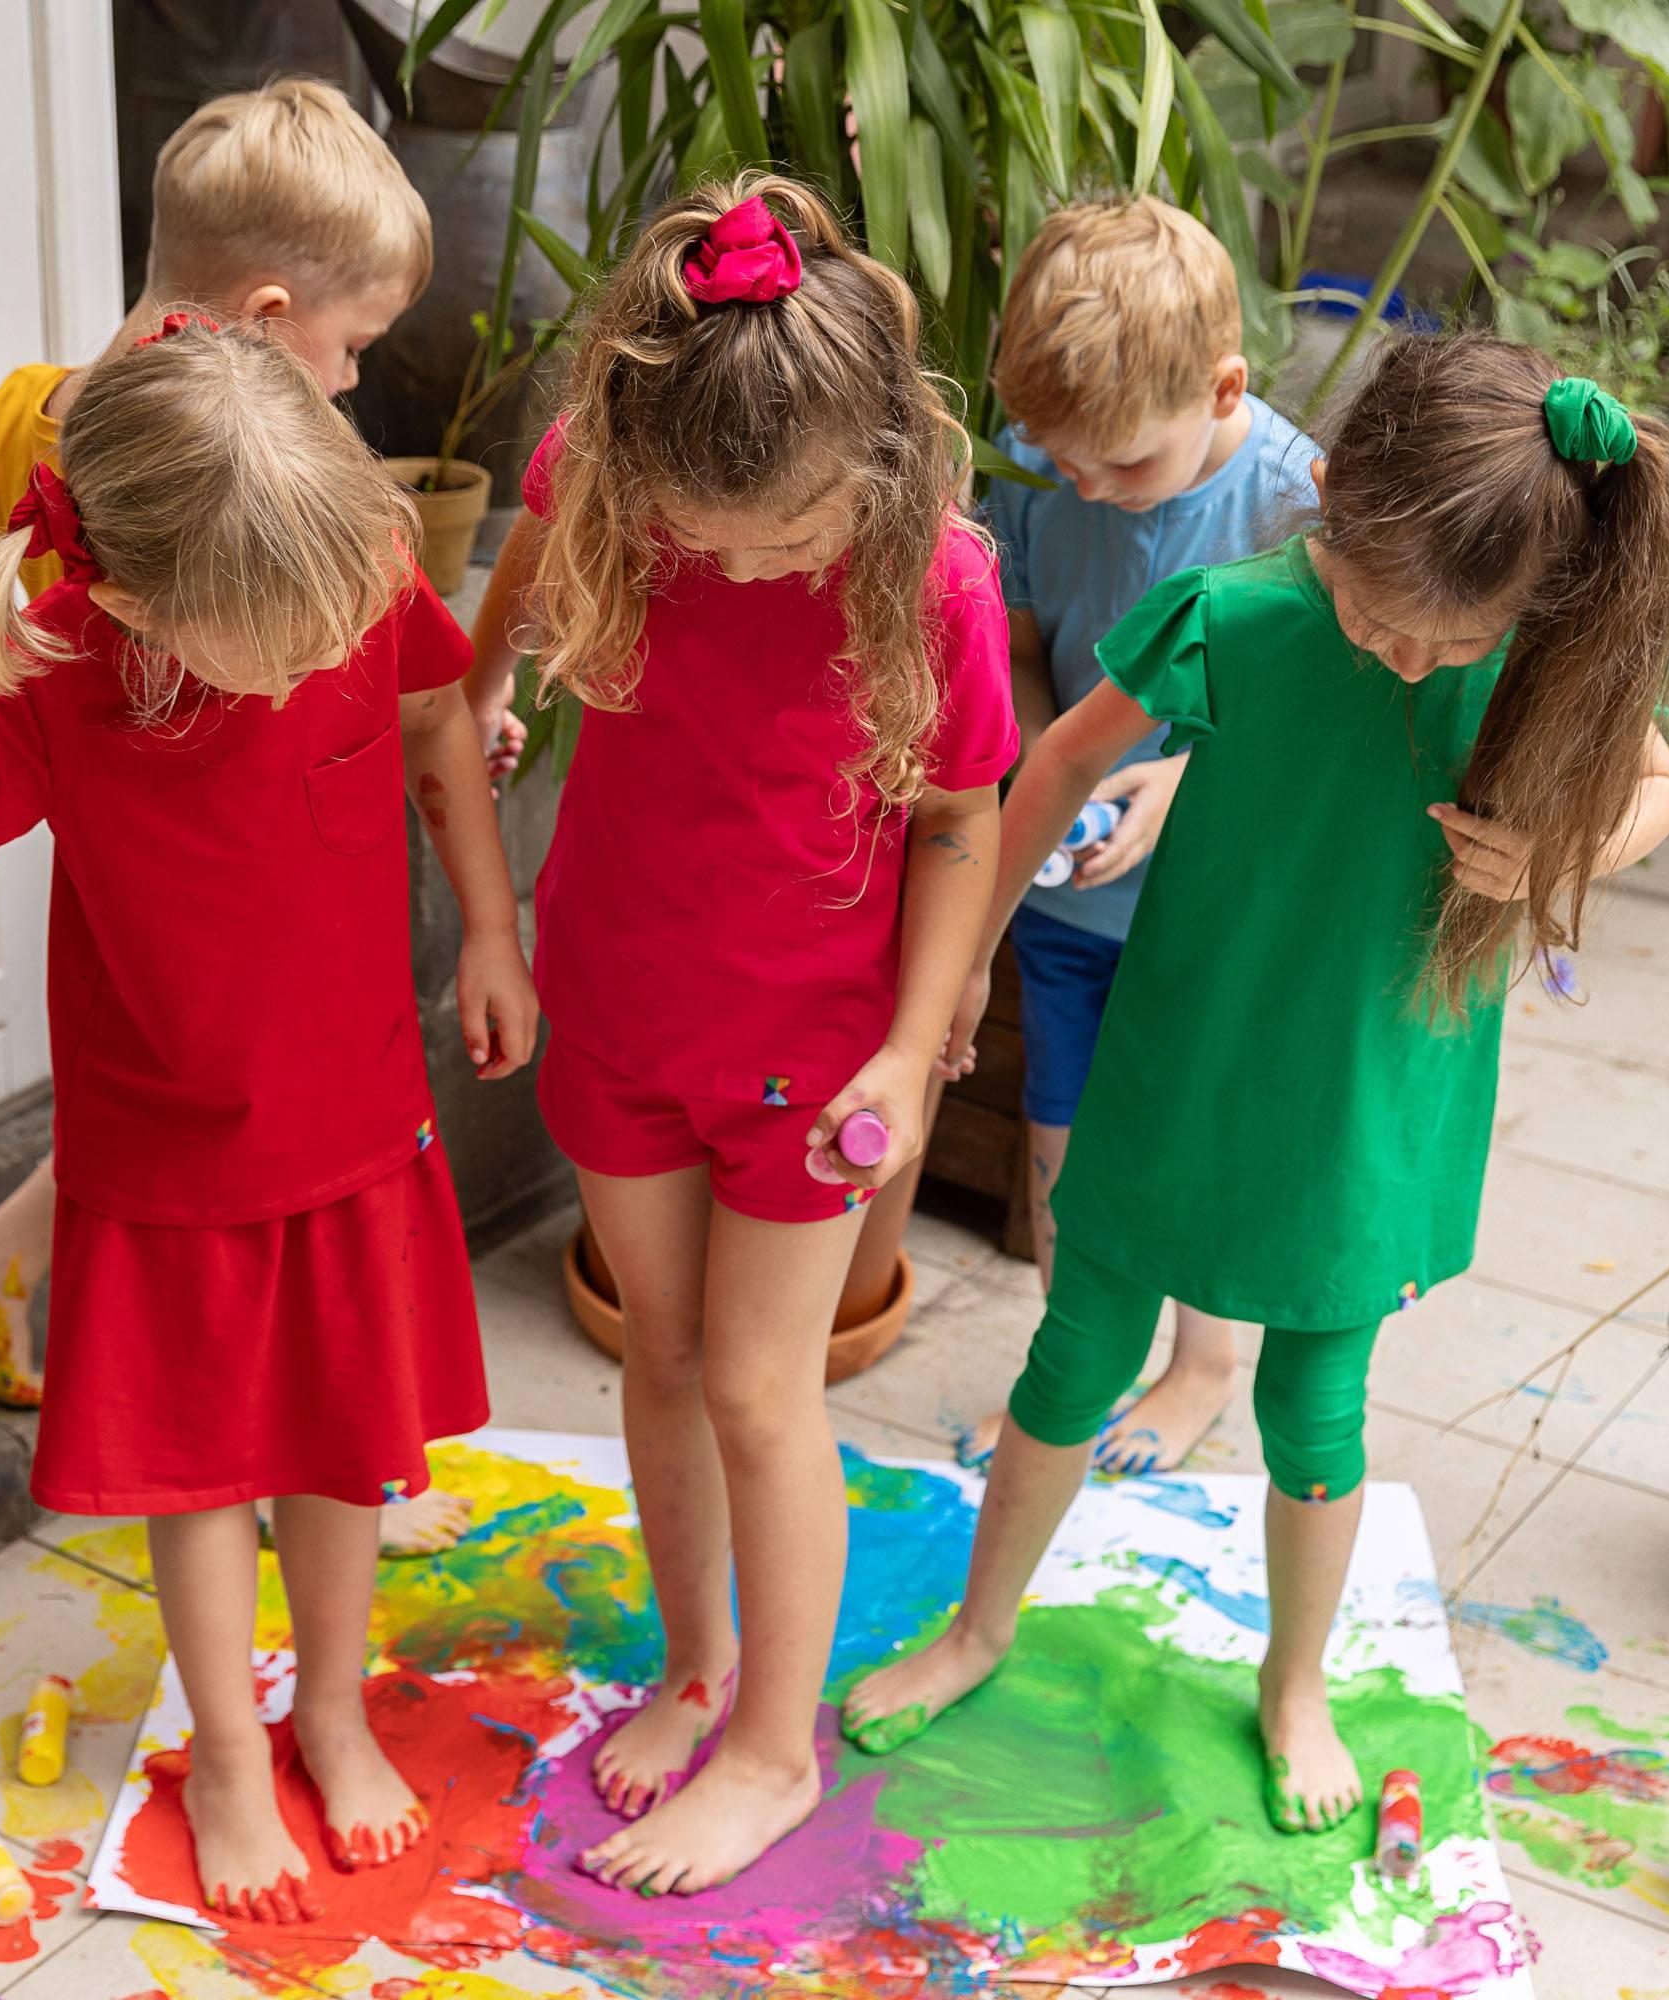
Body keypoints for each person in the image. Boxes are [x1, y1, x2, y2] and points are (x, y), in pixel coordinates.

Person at [0, 320, 539, 1920]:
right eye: (268, 653)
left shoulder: (340, 573)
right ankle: (229, 1747)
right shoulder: (56, 667)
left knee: (349, 1450)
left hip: (359, 1121)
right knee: (207, 1470)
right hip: (168, 1160)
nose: (309, 663)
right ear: (134, 598)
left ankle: (333, 1708)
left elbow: (436, 726)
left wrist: (490, 929)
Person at [842, 334, 1669, 1834]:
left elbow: (1659, 786)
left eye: (1450, 640)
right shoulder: (1234, 615)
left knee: (1318, 1411)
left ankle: (1293, 1689)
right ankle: (979, 1630)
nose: (1412, 659)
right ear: (1334, 504)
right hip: (1189, 1062)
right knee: (1073, 1354)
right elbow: (1045, 769)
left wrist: (1569, 851)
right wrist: (963, 960)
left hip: (1374, 1098)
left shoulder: (1537, 656)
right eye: (1384, 618)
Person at [467, 175, 1017, 1894]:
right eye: (698, 531)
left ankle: (774, 1749)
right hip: (618, 1004)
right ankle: (696, 1661)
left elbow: (961, 824)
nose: (731, 560)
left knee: (769, 1392)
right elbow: (500, 624)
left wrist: (911, 1050)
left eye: (774, 536)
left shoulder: (932, 577)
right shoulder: (604, 486)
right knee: (660, 1357)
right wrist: (483, 706)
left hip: (814, 1055)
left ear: (873, 462)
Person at [0, 77, 494, 1553]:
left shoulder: (29, 413)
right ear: (268, 309)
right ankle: (292, 1449)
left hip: (148, 889)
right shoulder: (257, 472)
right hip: (212, 876)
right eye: (351, 347)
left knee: (185, 1108)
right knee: (207, 1153)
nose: (350, 386)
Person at [956, 199, 1319, 1478]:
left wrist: (1167, 785)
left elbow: (1311, 717)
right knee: (1061, 1132)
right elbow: (1014, 641)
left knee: (1184, 1131)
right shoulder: (1040, 462)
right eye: (1065, 465)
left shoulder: (1294, 501)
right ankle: (1077, 1368)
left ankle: (1201, 1365)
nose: (1090, 489)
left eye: (1123, 467)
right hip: (1065, 896)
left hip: (1210, 907)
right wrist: (1057, 751)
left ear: (1223, 386)